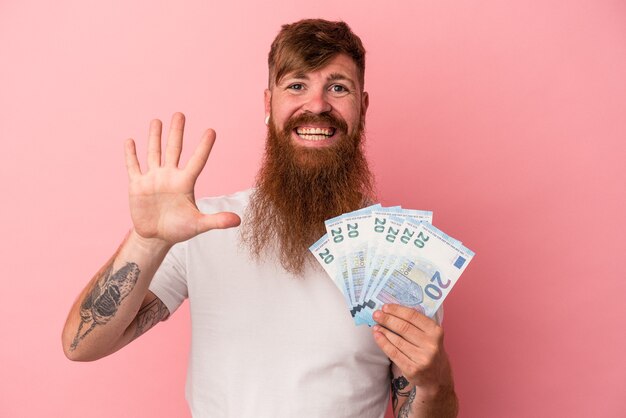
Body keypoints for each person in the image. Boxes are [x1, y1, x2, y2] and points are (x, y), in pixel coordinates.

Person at [62, 19, 458, 418]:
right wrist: (147, 241)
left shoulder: (400, 259)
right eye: (297, 85)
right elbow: (82, 346)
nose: (318, 105)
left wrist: (435, 379)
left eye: (338, 87)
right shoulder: (202, 226)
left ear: (363, 108)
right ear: (268, 105)